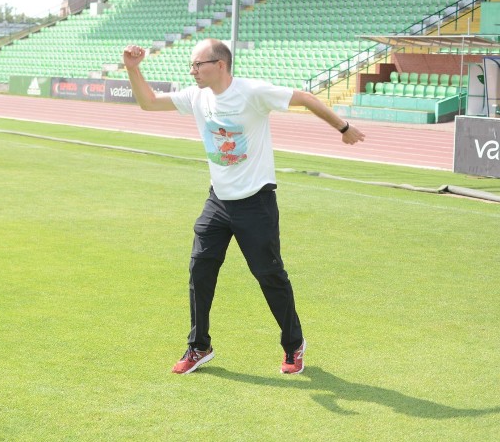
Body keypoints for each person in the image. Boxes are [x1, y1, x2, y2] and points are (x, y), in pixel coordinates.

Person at [122, 38, 365, 375]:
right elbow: (148, 103)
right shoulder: (197, 96)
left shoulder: (252, 92)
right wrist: (134, 69)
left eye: (197, 65)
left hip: (256, 203)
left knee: (269, 275)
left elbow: (306, 98)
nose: (192, 71)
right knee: (200, 270)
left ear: (219, 64)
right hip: (218, 202)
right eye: (191, 66)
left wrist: (344, 127)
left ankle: (293, 344)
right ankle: (199, 346)